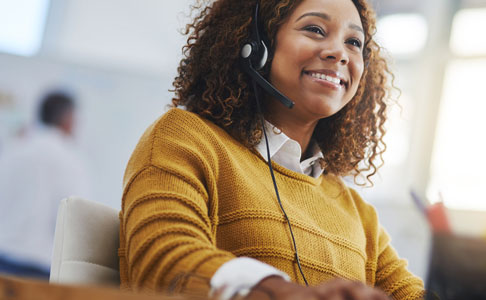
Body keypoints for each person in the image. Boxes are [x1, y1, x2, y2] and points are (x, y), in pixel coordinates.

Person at [119, 0, 426, 299]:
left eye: (354, 42)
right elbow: (162, 262)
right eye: (316, 30)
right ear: (255, 45)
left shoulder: (358, 214)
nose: (339, 52)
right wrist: (279, 292)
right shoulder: (186, 138)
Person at [0, 91, 91, 279]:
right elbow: (77, 220)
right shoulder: (70, 158)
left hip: (4, 257)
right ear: (68, 118)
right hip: (39, 267)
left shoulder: (15, 148)